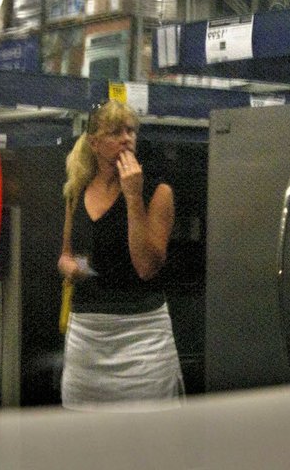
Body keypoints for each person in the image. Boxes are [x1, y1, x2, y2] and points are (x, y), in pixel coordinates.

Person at [56, 99, 184, 411]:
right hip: (87, 339)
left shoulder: (157, 192)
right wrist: (72, 267)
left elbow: (146, 266)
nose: (126, 138)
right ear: (94, 143)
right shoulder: (77, 191)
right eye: (115, 132)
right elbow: (67, 254)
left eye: (130, 131)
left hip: (142, 340)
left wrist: (132, 196)